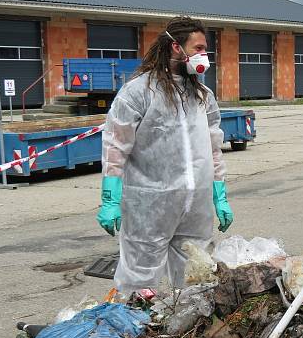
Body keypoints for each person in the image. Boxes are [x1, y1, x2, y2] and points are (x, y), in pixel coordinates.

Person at [96, 16, 234, 293]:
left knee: (198, 277)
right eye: (197, 48)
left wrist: (219, 195)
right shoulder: (139, 92)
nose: (203, 55)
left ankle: (185, 330)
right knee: (139, 280)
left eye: (204, 49)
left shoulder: (202, 96)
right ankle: (133, 333)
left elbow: (213, 148)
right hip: (150, 204)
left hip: (197, 203)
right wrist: (109, 198)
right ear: (175, 48)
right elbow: (115, 146)